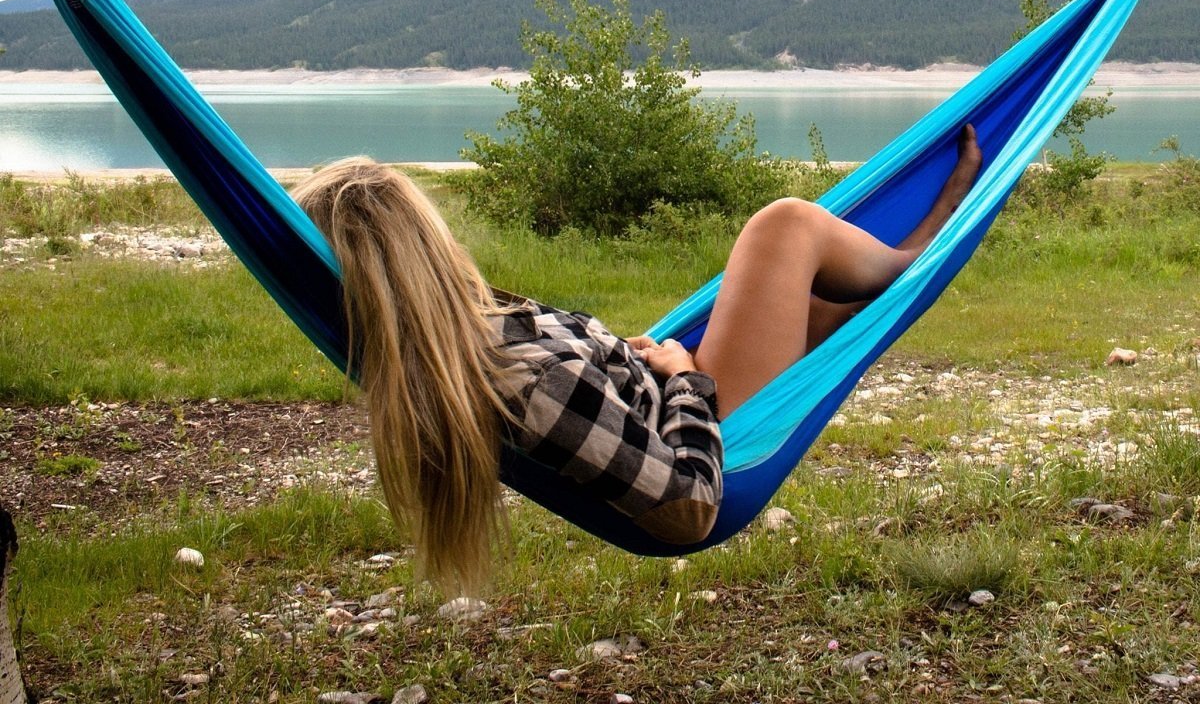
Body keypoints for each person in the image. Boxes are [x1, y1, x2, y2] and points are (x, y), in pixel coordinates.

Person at [292, 126, 981, 591]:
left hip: (680, 385)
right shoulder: (529, 384)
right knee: (786, 225)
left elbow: (603, 404)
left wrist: (644, 361)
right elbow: (690, 504)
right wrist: (686, 380)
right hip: (718, 424)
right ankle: (916, 254)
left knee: (824, 307)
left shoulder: (464, 343)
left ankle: (889, 277)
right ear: (424, 251)